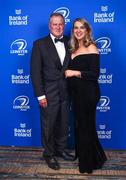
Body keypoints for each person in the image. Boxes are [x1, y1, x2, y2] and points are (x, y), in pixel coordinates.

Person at [30, 12, 74, 170]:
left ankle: (60, 150)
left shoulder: (70, 41)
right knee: (48, 125)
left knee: (63, 123)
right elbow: (35, 72)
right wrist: (40, 95)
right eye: (55, 24)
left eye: (60, 24)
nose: (58, 27)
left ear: (64, 24)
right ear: (50, 26)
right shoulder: (39, 44)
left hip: (66, 92)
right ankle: (48, 154)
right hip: (48, 93)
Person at [65, 18, 107, 173]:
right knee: (83, 126)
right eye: (76, 27)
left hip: (88, 94)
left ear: (87, 30)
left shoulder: (92, 47)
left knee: (85, 127)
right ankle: (96, 157)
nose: (78, 30)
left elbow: (95, 74)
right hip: (77, 94)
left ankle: (87, 164)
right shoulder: (73, 48)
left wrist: (74, 72)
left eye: (82, 27)